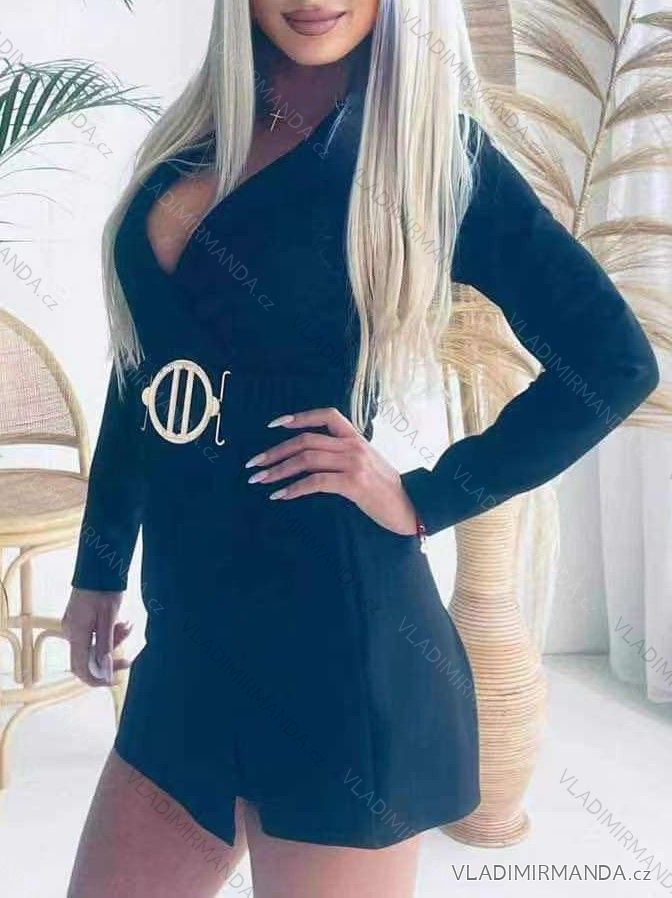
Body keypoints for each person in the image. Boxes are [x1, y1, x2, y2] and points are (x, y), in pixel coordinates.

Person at [63, 2, 660, 896]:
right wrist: (100, 566)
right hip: (190, 641)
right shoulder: (192, 142)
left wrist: (429, 495)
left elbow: (614, 360)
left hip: (335, 650)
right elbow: (144, 373)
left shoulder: (428, 156)